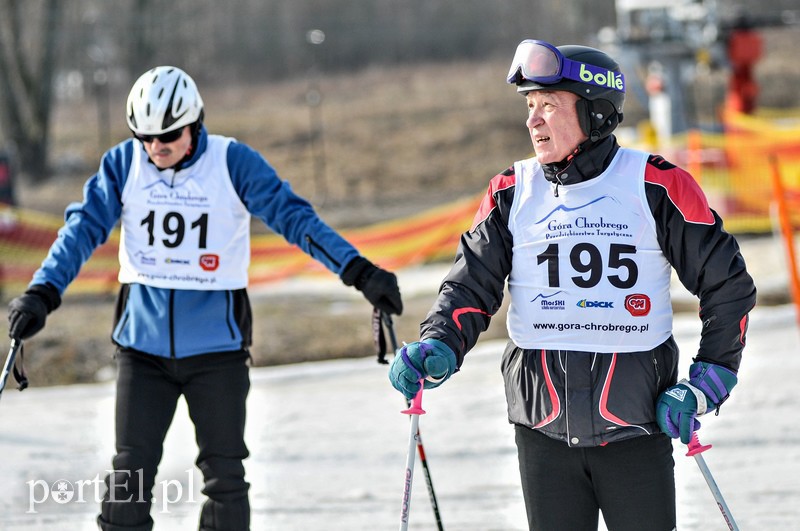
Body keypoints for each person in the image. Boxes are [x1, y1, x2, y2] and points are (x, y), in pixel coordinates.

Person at [7, 66, 403, 531]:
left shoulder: (232, 163)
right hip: (142, 350)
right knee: (129, 476)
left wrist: (358, 271)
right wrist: (43, 291)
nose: (156, 147)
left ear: (195, 123)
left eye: (169, 135)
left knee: (225, 479)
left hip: (218, 352)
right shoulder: (123, 164)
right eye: (145, 136)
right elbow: (82, 230)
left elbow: (296, 220)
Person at [389, 40, 756, 530]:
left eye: (549, 105)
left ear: (596, 113)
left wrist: (710, 378)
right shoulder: (510, 191)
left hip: (635, 428)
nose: (532, 121)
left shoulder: (656, 186)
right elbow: (470, 288)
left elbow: (728, 287)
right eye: (529, 106)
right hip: (543, 434)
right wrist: (439, 342)